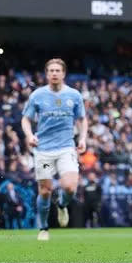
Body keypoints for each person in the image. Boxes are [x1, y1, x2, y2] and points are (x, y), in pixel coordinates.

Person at [21, 58, 88, 241]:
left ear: (63, 73)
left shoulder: (74, 95)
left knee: (69, 187)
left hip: (66, 147)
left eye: (57, 70)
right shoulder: (37, 95)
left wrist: (82, 138)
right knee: (45, 191)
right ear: (47, 74)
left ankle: (62, 205)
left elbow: (82, 119)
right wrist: (29, 135)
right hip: (43, 150)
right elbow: (26, 119)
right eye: (51, 71)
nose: (54, 73)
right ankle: (43, 228)